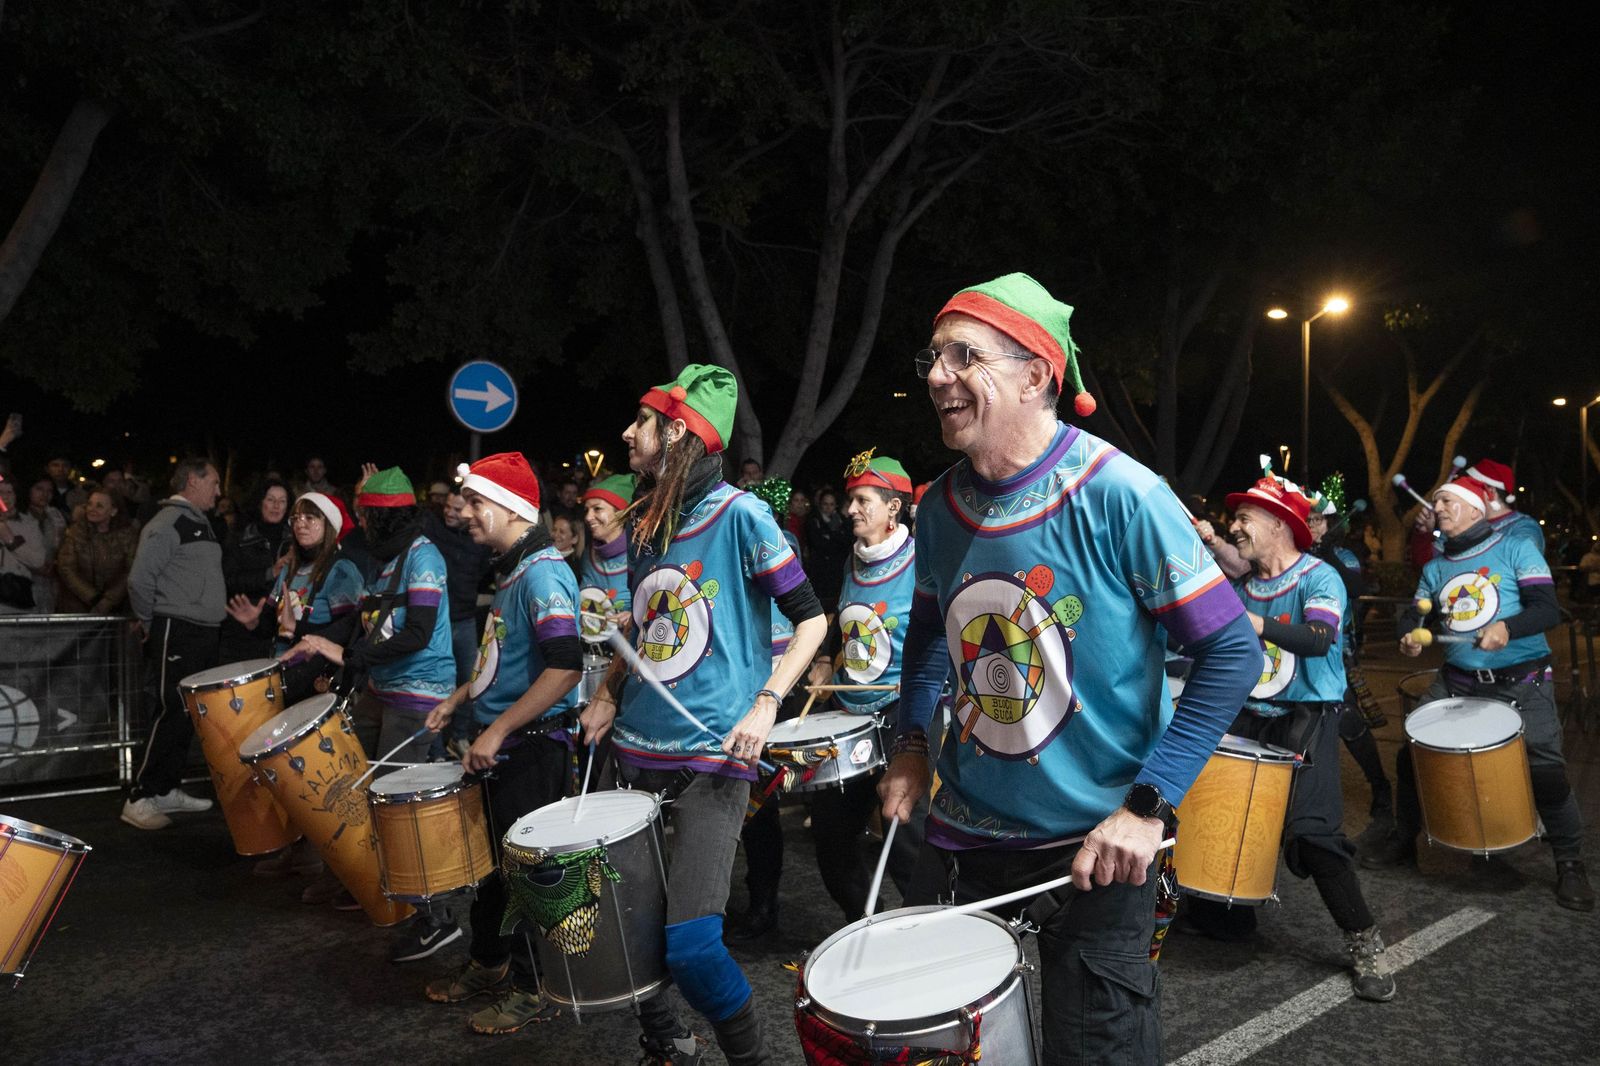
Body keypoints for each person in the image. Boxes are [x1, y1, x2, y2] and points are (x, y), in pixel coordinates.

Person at [877, 274, 1260, 1064]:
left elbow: (1232, 652)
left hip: (1095, 848)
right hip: (961, 840)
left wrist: (1148, 807)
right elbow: (924, 644)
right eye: (933, 356)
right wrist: (910, 746)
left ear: (1036, 375)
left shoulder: (1121, 493)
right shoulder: (939, 507)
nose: (937, 375)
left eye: (964, 355)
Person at [581, 364, 827, 1066]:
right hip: (634, 753)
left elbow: (812, 621)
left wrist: (767, 703)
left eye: (642, 423)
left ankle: (749, 1058)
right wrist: (606, 692)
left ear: (679, 434)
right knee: (628, 929)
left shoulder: (741, 514)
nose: (628, 434)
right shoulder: (645, 519)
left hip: (711, 761)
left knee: (691, 944)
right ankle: (666, 1042)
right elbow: (646, 621)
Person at [1182, 476, 1396, 1001]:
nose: (1235, 527)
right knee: (1215, 809)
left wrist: (1256, 623)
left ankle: (1364, 941)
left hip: (1307, 715)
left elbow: (1320, 640)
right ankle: (1223, 917)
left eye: (1245, 519)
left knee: (1314, 834)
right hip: (1249, 712)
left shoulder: (1320, 578)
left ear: (1279, 525)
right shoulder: (1244, 584)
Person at [1366, 475, 1593, 911]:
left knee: (1545, 769)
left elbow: (1547, 609)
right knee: (1409, 753)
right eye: (1436, 503)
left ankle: (1569, 861)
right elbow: (1415, 617)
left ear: (1475, 508)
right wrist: (1410, 636)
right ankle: (1405, 839)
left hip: (1522, 680)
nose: (1439, 508)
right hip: (1458, 681)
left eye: (1448, 500)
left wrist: (1508, 627)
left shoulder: (1516, 549)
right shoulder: (1434, 567)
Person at [420, 452, 583, 1032]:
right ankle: (490, 963)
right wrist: (462, 698)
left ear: (511, 508)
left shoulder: (541, 572)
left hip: (533, 749)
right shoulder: (513, 568)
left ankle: (536, 983)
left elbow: (564, 667)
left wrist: (496, 728)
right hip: (509, 746)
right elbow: (507, 660)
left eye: (476, 503)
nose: (464, 513)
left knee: (530, 874)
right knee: (495, 870)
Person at [120, 457, 225, 831]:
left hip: (200, 631)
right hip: (176, 630)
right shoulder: (169, 522)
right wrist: (150, 622)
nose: (218, 489)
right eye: (213, 481)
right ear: (192, 482)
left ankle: (165, 788)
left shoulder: (199, 522)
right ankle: (140, 796)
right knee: (170, 710)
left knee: (186, 714)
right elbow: (139, 579)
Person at [1304, 483, 1393, 847]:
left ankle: (1382, 793)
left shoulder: (1343, 554)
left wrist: (1325, 553)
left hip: (1335, 652)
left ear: (1330, 523)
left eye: (1318, 520)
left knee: (1349, 722)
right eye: (1306, 519)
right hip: (1293, 653)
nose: (1311, 525)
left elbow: (1354, 587)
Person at [230, 492, 362, 702]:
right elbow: (272, 627)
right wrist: (254, 622)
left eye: (310, 518)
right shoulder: (291, 568)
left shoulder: (341, 569)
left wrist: (298, 628)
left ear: (328, 525)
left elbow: (347, 632)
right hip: (284, 671)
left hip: (317, 680)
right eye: (296, 518)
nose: (301, 524)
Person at [219, 480, 292, 661]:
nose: (276, 506)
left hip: (281, 628)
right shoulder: (240, 537)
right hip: (244, 629)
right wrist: (270, 573)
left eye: (282, 501)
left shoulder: (295, 538)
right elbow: (229, 580)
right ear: (260, 503)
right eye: (271, 500)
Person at [54, 489, 138, 614]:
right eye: (89, 504)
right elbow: (66, 568)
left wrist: (108, 601)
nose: (92, 509)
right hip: (77, 607)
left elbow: (131, 570)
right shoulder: (75, 532)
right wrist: (93, 597)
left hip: (115, 608)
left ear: (113, 511)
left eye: (99, 506)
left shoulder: (127, 535)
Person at [579, 474, 635, 633]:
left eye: (597, 508)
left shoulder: (639, 556)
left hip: (626, 652)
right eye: (587, 510)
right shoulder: (588, 555)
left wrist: (634, 617)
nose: (588, 517)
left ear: (620, 513)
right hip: (592, 651)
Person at [1462, 458, 1544, 552]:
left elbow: (1526, 557)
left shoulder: (1524, 527)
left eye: (1469, 489)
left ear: (1491, 492)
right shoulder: (1467, 524)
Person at [0, 480, 49, 615]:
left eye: (9, 492)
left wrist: (8, 537)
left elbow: (38, 561)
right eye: (0, 492)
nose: (4, 497)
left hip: (15, 601)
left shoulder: (28, 523)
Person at [24, 479, 67, 611]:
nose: (45, 494)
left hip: (50, 578)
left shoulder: (56, 515)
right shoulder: (18, 515)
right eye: (39, 489)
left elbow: (63, 545)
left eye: (49, 491)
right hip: (24, 577)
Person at [804, 487, 851, 606]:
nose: (828, 507)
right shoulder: (813, 520)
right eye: (825, 504)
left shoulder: (842, 521)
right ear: (820, 504)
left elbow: (847, 542)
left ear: (836, 505)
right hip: (819, 572)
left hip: (838, 571)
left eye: (831, 504)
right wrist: (835, 538)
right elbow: (818, 544)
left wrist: (831, 536)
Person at [44, 457, 85, 521]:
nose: (60, 469)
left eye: (65, 465)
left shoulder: (80, 494)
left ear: (70, 469)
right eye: (55, 465)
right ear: (47, 469)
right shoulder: (39, 491)